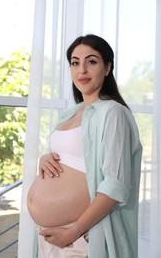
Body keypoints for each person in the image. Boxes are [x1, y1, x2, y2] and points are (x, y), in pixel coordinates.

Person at [27, 34, 142, 258]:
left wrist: (73, 231)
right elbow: (77, 157)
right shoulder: (71, 113)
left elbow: (115, 185)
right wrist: (46, 158)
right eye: (75, 62)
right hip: (51, 237)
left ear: (108, 67)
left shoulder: (112, 112)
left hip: (82, 237)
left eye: (91, 61)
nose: (82, 70)